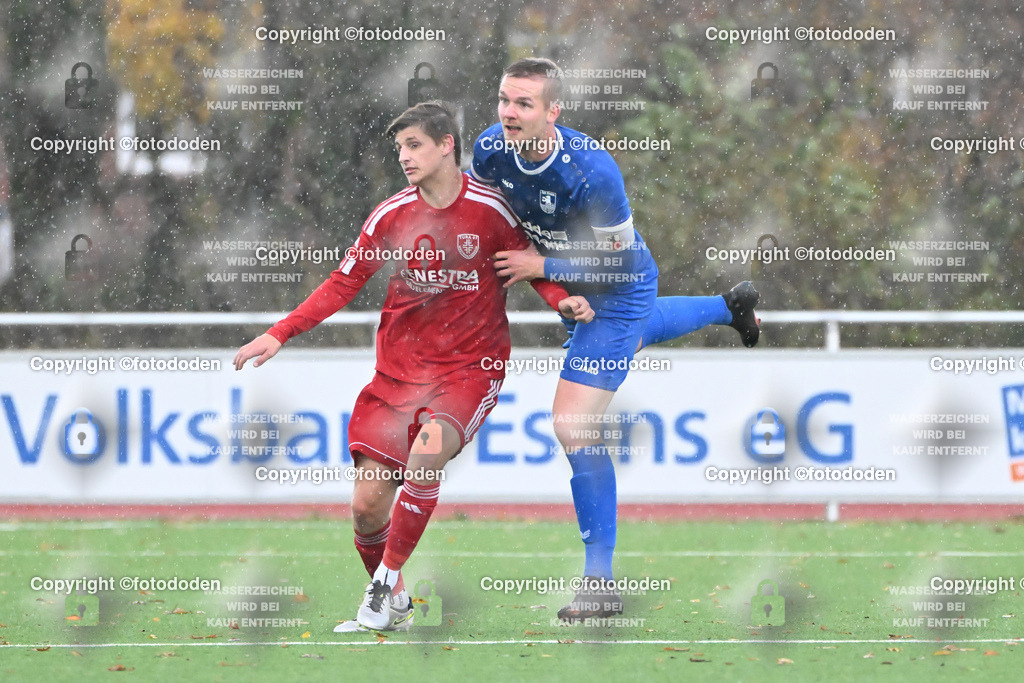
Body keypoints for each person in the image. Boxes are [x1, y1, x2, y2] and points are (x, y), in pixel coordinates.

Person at [233, 101, 594, 632]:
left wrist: (561, 298)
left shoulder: (492, 210)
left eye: (414, 145)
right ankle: (394, 598)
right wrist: (278, 332)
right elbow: (344, 282)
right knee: (365, 507)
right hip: (398, 374)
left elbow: (525, 266)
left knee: (427, 456)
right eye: (399, 148)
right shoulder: (391, 215)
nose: (404, 157)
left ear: (447, 145)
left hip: (471, 368)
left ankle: (381, 587)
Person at [472, 58, 760, 621]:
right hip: (570, 284)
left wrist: (542, 265)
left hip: (620, 286)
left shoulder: (593, 172)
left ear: (554, 112)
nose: (509, 113)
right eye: (505, 100)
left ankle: (599, 584)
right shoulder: (487, 150)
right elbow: (498, 230)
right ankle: (730, 306)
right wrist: (548, 284)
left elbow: (615, 258)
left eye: (524, 104)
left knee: (573, 425)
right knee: (640, 333)